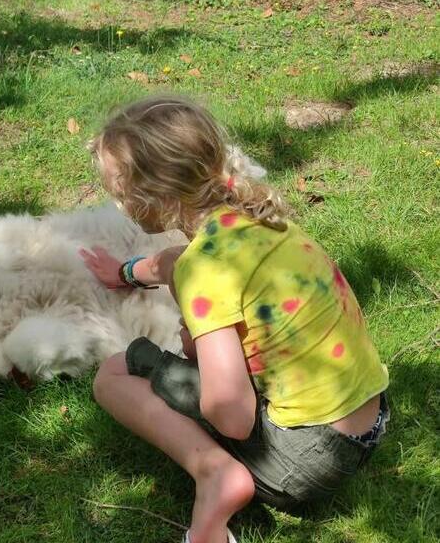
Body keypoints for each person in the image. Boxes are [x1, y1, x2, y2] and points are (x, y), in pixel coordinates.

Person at [80, 95, 389, 543]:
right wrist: (127, 273)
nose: (118, 204)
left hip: (305, 458)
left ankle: (216, 475)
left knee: (114, 373)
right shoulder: (256, 221)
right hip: (368, 423)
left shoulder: (204, 271)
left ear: (154, 197)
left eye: (120, 193)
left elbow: (232, 415)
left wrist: (198, 347)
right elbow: (175, 262)